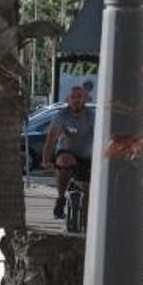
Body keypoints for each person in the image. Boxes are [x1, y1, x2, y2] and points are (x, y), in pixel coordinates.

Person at [43, 86, 95, 219]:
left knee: (89, 191)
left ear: (85, 99)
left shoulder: (91, 116)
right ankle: (61, 199)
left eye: (79, 97)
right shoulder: (62, 115)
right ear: (68, 100)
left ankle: (84, 223)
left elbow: (101, 138)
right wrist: (46, 160)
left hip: (86, 157)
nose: (76, 100)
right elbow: (52, 137)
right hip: (66, 153)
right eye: (73, 97)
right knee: (66, 161)